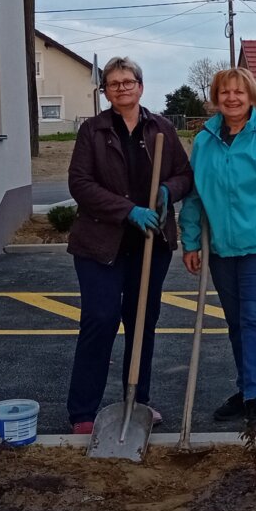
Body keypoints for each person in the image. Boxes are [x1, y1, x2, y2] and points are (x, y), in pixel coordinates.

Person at [65, 57, 194, 435]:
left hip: (151, 243)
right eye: (114, 83)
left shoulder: (162, 128)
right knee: (101, 319)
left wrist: (170, 190)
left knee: (142, 322)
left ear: (140, 86)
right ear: (105, 90)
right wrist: (127, 210)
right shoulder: (93, 130)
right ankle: (83, 410)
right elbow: (80, 184)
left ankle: (138, 400)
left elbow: (185, 174)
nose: (122, 88)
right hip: (100, 243)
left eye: (128, 81)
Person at [179, 67, 256, 431]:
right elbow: (195, 194)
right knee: (235, 323)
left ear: (252, 96)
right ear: (216, 98)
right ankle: (246, 387)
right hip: (220, 249)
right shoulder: (205, 140)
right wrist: (189, 241)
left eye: (239, 92)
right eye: (225, 92)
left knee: (252, 319)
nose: (232, 98)